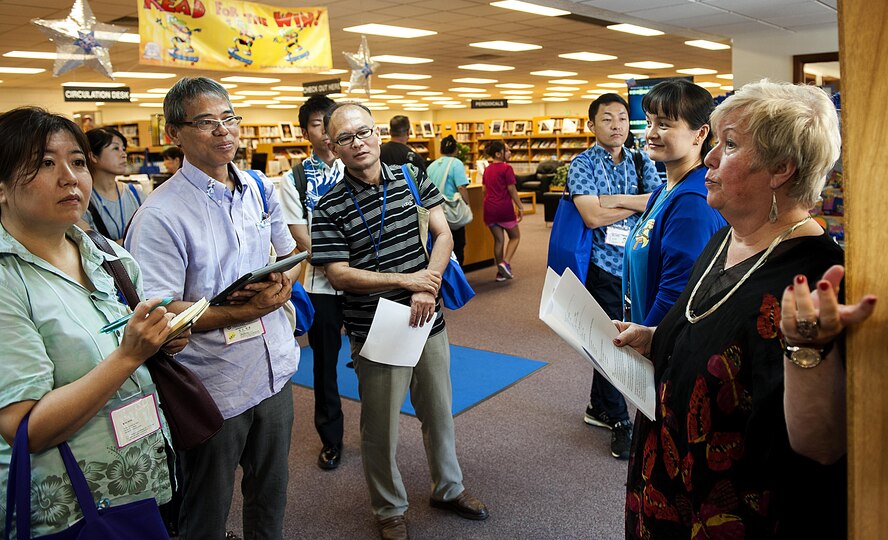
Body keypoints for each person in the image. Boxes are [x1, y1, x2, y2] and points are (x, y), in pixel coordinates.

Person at [614, 80, 877, 538]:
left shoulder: (815, 278)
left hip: (730, 515)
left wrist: (805, 350)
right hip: (667, 488)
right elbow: (711, 332)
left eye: (730, 145)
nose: (710, 158)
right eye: (715, 142)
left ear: (781, 168)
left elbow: (819, 445)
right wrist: (657, 339)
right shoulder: (725, 239)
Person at [0, 106, 189, 537]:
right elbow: (24, 429)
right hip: (68, 503)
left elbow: (128, 349)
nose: (70, 177)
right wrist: (129, 355)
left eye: (78, 161)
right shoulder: (7, 280)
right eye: (45, 163)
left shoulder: (109, 258)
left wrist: (161, 336)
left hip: (143, 475)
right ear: (2, 188)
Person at [125, 77, 300, 540]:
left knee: (271, 496)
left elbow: (288, 255)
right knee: (206, 510)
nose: (224, 131)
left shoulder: (259, 188)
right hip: (212, 386)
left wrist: (282, 283)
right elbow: (158, 314)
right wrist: (251, 309)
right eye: (206, 122)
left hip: (273, 372)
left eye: (229, 119)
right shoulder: (161, 215)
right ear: (174, 134)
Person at [311, 102, 489, 540]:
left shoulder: (412, 177)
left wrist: (427, 287)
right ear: (332, 148)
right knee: (381, 426)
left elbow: (443, 233)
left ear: (377, 133)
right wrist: (406, 280)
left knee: (438, 411)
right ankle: (389, 508)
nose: (358, 143)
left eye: (364, 132)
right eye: (346, 138)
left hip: (428, 317)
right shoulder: (328, 206)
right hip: (377, 325)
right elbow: (338, 273)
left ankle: (449, 488)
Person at [568, 93, 661, 459]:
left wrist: (611, 199)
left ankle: (597, 405)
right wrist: (632, 203)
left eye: (622, 118)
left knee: (627, 334)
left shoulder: (641, 159)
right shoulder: (582, 164)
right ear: (592, 125)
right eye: (607, 119)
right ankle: (620, 419)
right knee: (610, 341)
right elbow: (591, 217)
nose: (617, 125)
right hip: (601, 266)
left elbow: (657, 200)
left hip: (636, 265)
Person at [617, 79, 726, 326]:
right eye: (649, 122)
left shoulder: (692, 202)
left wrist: (644, 338)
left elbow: (677, 293)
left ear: (700, 133)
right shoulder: (663, 191)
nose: (651, 133)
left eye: (664, 124)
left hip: (660, 343)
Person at [279, 94, 347, 471]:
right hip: (323, 285)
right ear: (305, 131)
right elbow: (299, 234)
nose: (327, 132)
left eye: (331, 122)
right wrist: (342, 260)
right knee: (325, 363)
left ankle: (376, 432)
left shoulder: (359, 163)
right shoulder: (295, 178)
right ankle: (331, 438)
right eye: (319, 124)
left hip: (366, 282)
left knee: (375, 358)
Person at [77, 127, 143, 243]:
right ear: (93, 156)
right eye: (115, 148)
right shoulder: (81, 199)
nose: (123, 154)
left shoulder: (135, 193)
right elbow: (88, 246)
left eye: (123, 149)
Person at [481, 140, 523, 282]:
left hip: (489, 208)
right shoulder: (506, 168)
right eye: (507, 150)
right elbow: (512, 189)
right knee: (515, 237)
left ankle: (500, 273)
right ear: (499, 154)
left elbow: (484, 190)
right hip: (504, 208)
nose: (509, 153)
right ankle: (505, 263)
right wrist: (520, 206)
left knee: (498, 240)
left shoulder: (487, 169)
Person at [427, 134, 471, 265]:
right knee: (457, 245)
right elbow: (461, 187)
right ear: (456, 150)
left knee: (439, 246)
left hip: (435, 212)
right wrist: (468, 205)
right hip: (452, 211)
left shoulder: (432, 165)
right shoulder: (456, 163)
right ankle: (457, 278)